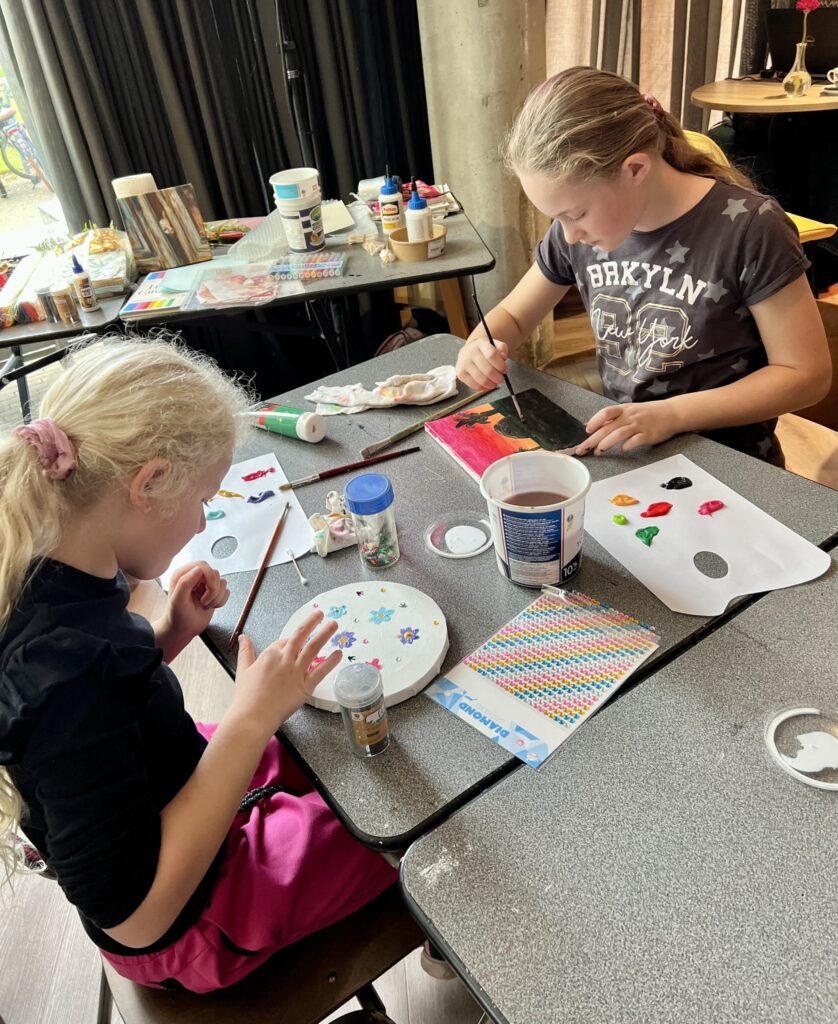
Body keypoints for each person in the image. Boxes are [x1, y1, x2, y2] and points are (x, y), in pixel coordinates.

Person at [0, 338, 396, 993]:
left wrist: (171, 633)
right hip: (195, 918)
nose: (203, 519)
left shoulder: (61, 557)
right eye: (203, 499)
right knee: (408, 826)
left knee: (330, 747)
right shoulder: (63, 682)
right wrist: (249, 720)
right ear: (148, 484)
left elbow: (109, 706)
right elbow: (135, 920)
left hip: (169, 776)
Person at [457, 66, 831, 464]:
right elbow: (514, 317)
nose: (568, 236)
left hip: (729, 463)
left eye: (576, 214)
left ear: (635, 169)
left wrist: (672, 415)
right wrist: (480, 343)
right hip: (631, 451)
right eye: (557, 218)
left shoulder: (751, 229)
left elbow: (806, 375)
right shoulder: (578, 233)